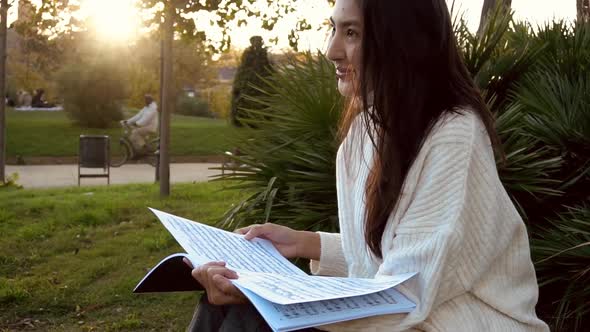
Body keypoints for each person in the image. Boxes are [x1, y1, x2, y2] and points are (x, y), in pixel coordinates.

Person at [186, 0, 550, 331]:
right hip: (413, 316)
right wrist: (304, 243)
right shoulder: (364, 133)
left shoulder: (453, 134)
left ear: (403, 42)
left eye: (352, 33)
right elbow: (391, 255)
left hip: (463, 321)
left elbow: (405, 291)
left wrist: (267, 295)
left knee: (246, 315)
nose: (331, 50)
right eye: (334, 29)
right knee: (228, 309)